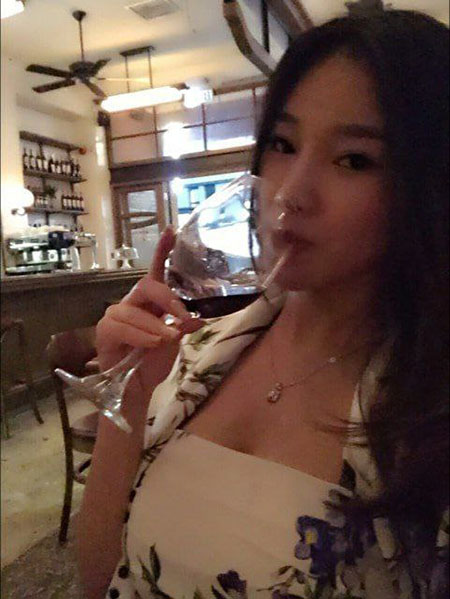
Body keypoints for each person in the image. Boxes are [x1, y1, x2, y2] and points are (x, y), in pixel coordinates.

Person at [78, 10, 448, 599]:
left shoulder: (428, 413)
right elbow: (99, 578)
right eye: (282, 144)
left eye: (354, 159)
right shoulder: (192, 356)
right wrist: (130, 395)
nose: (291, 192)